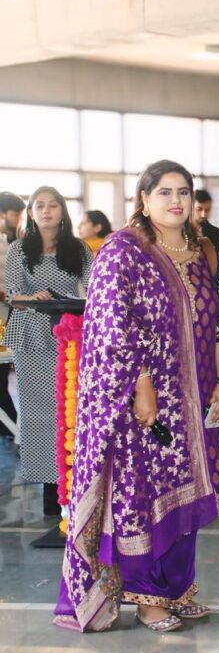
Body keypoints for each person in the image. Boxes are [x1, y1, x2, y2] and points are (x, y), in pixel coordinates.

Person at [54, 160, 219, 632]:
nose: (176, 201)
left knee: (186, 496)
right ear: (144, 199)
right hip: (144, 402)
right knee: (144, 495)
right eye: (164, 192)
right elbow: (113, 325)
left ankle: (177, 588)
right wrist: (142, 385)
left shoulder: (200, 250)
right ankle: (147, 597)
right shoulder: (124, 250)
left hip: (194, 399)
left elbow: (216, 322)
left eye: (184, 192)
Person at [2, 187, 92, 518]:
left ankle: (78, 485)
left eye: (53, 205)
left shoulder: (79, 249)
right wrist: (32, 297)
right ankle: (50, 490)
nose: (46, 211)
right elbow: (13, 294)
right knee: (39, 413)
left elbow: (94, 287)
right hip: (32, 335)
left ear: (62, 211)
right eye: (39, 206)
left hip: (71, 333)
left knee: (73, 408)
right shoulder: (19, 248)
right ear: (31, 212)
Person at [0, 191, 25, 441]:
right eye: (15, 213)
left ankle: (14, 433)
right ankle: (14, 433)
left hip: (11, 319)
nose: (19, 218)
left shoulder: (19, 244)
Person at [193, 189, 219, 255]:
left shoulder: (217, 234)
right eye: (199, 209)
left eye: (207, 210)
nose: (203, 214)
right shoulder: (178, 232)